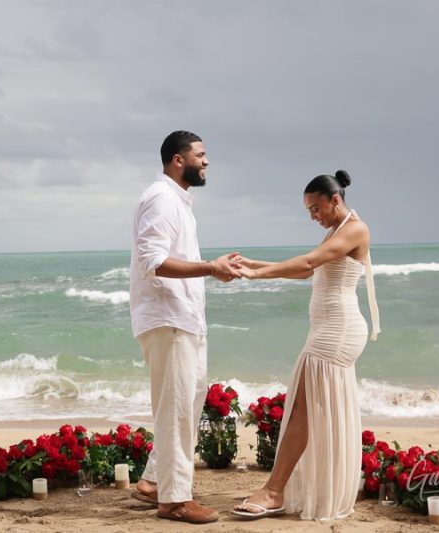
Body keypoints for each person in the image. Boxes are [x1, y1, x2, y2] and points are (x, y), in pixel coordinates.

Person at [231, 170, 380, 522]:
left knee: (301, 408)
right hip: (327, 329)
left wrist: (257, 275)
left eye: (315, 208)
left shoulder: (356, 229)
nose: (312, 216)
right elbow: (306, 271)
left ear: (335, 200)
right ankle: (278, 489)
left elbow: (310, 262)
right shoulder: (336, 231)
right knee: (306, 409)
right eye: (308, 210)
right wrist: (255, 265)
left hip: (337, 332)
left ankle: (273, 491)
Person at [129, 130, 240, 524]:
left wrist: (213, 268)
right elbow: (151, 260)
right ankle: (174, 501)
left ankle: (154, 482)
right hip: (168, 317)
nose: (206, 161)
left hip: (184, 317)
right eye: (201, 155)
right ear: (179, 160)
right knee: (176, 408)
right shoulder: (160, 197)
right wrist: (210, 268)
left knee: (187, 402)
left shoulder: (178, 201)